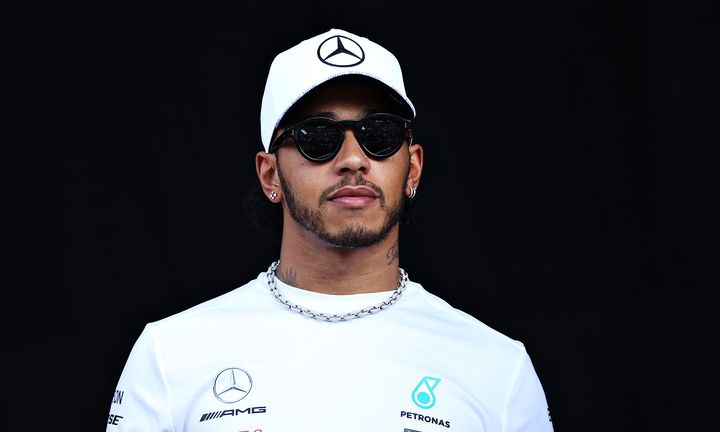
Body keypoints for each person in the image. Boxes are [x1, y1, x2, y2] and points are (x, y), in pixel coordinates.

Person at [106, 28, 554, 432]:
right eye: (317, 137)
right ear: (270, 176)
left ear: (413, 167)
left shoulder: (497, 367)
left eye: (379, 134)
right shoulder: (172, 354)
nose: (354, 159)